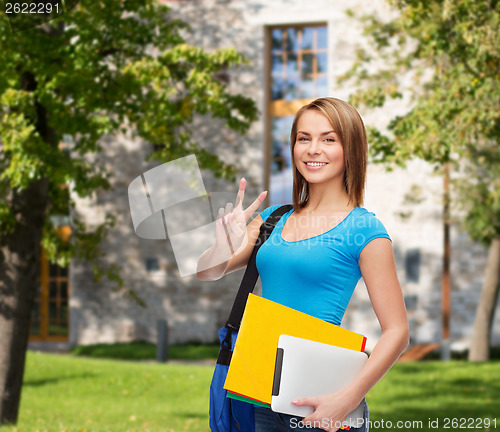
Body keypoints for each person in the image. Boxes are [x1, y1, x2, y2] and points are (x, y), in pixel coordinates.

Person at [197, 97, 409, 432]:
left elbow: (398, 332)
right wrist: (221, 244)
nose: (312, 149)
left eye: (328, 139)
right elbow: (207, 272)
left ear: (350, 149)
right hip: (258, 394)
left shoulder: (364, 229)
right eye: (303, 138)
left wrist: (348, 398)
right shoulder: (272, 218)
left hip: (322, 399)